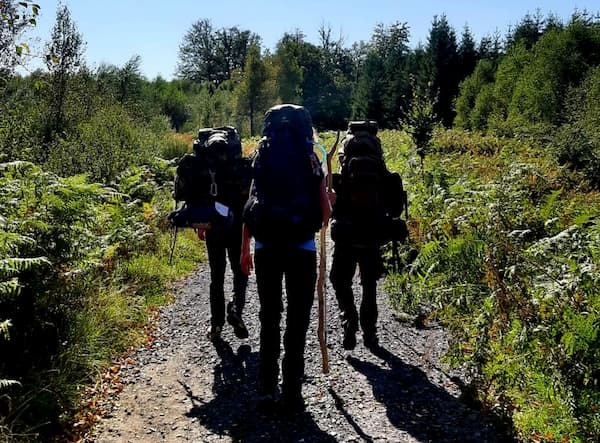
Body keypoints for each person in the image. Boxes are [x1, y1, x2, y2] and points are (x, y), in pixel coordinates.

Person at [240, 104, 331, 414]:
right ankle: (292, 392)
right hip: (301, 249)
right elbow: (326, 215)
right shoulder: (312, 156)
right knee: (297, 320)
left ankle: (266, 388)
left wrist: (245, 247)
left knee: (269, 315)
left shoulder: (261, 155)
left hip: (266, 247)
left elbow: (251, 205)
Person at [329, 120, 401, 351]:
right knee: (369, 285)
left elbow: (331, 206)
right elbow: (396, 209)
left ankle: (349, 318)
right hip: (373, 233)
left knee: (339, 280)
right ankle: (370, 335)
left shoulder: (344, 167)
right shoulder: (381, 169)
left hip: (346, 234)